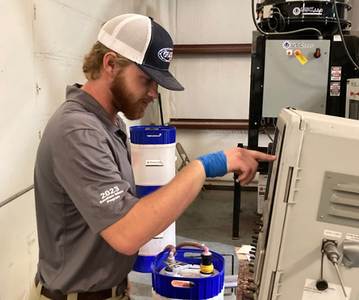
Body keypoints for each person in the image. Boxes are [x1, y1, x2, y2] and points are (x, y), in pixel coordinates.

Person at [29, 13, 276, 300]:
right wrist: (204, 166)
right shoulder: (78, 132)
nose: (154, 93)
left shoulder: (111, 124)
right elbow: (126, 233)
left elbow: (118, 214)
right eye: (146, 79)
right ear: (110, 64)